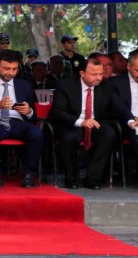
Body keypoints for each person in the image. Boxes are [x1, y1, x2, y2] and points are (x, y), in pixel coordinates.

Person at [49, 58, 117, 190]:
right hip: (72, 123)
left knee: (108, 134)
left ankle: (93, 178)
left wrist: (132, 119)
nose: (99, 78)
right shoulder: (66, 85)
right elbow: (58, 111)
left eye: (101, 74)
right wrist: (81, 122)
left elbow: (118, 106)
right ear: (82, 73)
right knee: (70, 137)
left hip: (95, 123)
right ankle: (71, 179)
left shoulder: (106, 85)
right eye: (94, 74)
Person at [0, 50, 43, 189]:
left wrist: (28, 111)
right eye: (6, 68)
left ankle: (29, 174)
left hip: (18, 122)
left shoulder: (25, 85)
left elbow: (34, 114)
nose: (10, 73)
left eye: (14, 69)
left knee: (37, 134)